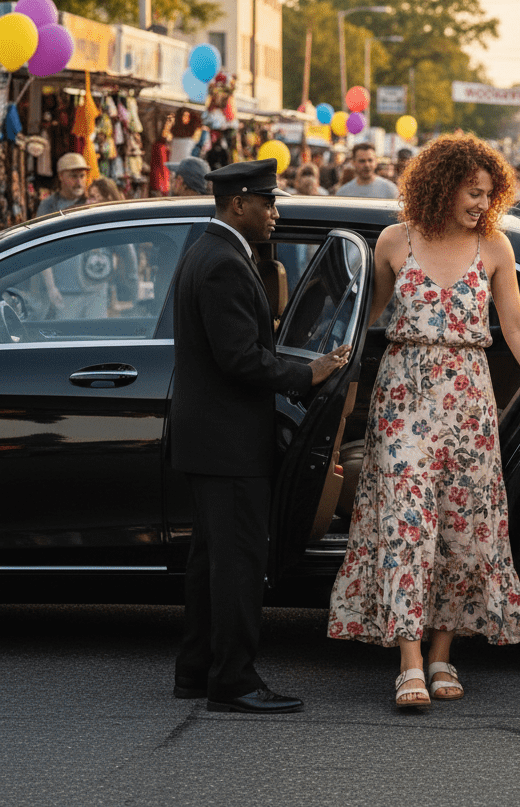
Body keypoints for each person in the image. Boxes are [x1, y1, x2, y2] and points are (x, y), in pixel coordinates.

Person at [326, 134, 520, 710]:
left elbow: (516, 326)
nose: (482, 204)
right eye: (472, 192)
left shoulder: (495, 247)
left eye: (489, 194)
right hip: (403, 396)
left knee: (461, 528)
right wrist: (327, 363)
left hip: (469, 401)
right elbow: (369, 317)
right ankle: (408, 661)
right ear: (442, 185)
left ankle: (440, 652)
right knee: (406, 520)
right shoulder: (393, 241)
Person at [170, 159, 348, 714]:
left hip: (212, 441)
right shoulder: (222, 261)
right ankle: (235, 682)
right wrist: (308, 373)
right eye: (268, 203)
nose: (276, 212)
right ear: (238, 203)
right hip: (228, 444)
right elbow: (240, 360)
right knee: (239, 566)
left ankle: (196, 671)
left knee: (211, 562)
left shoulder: (212, 251)